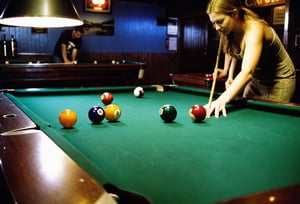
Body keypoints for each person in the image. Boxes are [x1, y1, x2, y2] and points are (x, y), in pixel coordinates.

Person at [204, 0, 296, 118]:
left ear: (235, 14)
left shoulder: (255, 28)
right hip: (257, 80)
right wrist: (227, 72)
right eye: (213, 23)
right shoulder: (227, 29)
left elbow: (247, 72)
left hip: (279, 80)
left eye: (219, 21)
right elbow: (231, 50)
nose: (216, 27)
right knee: (247, 116)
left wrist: (221, 100)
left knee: (269, 120)